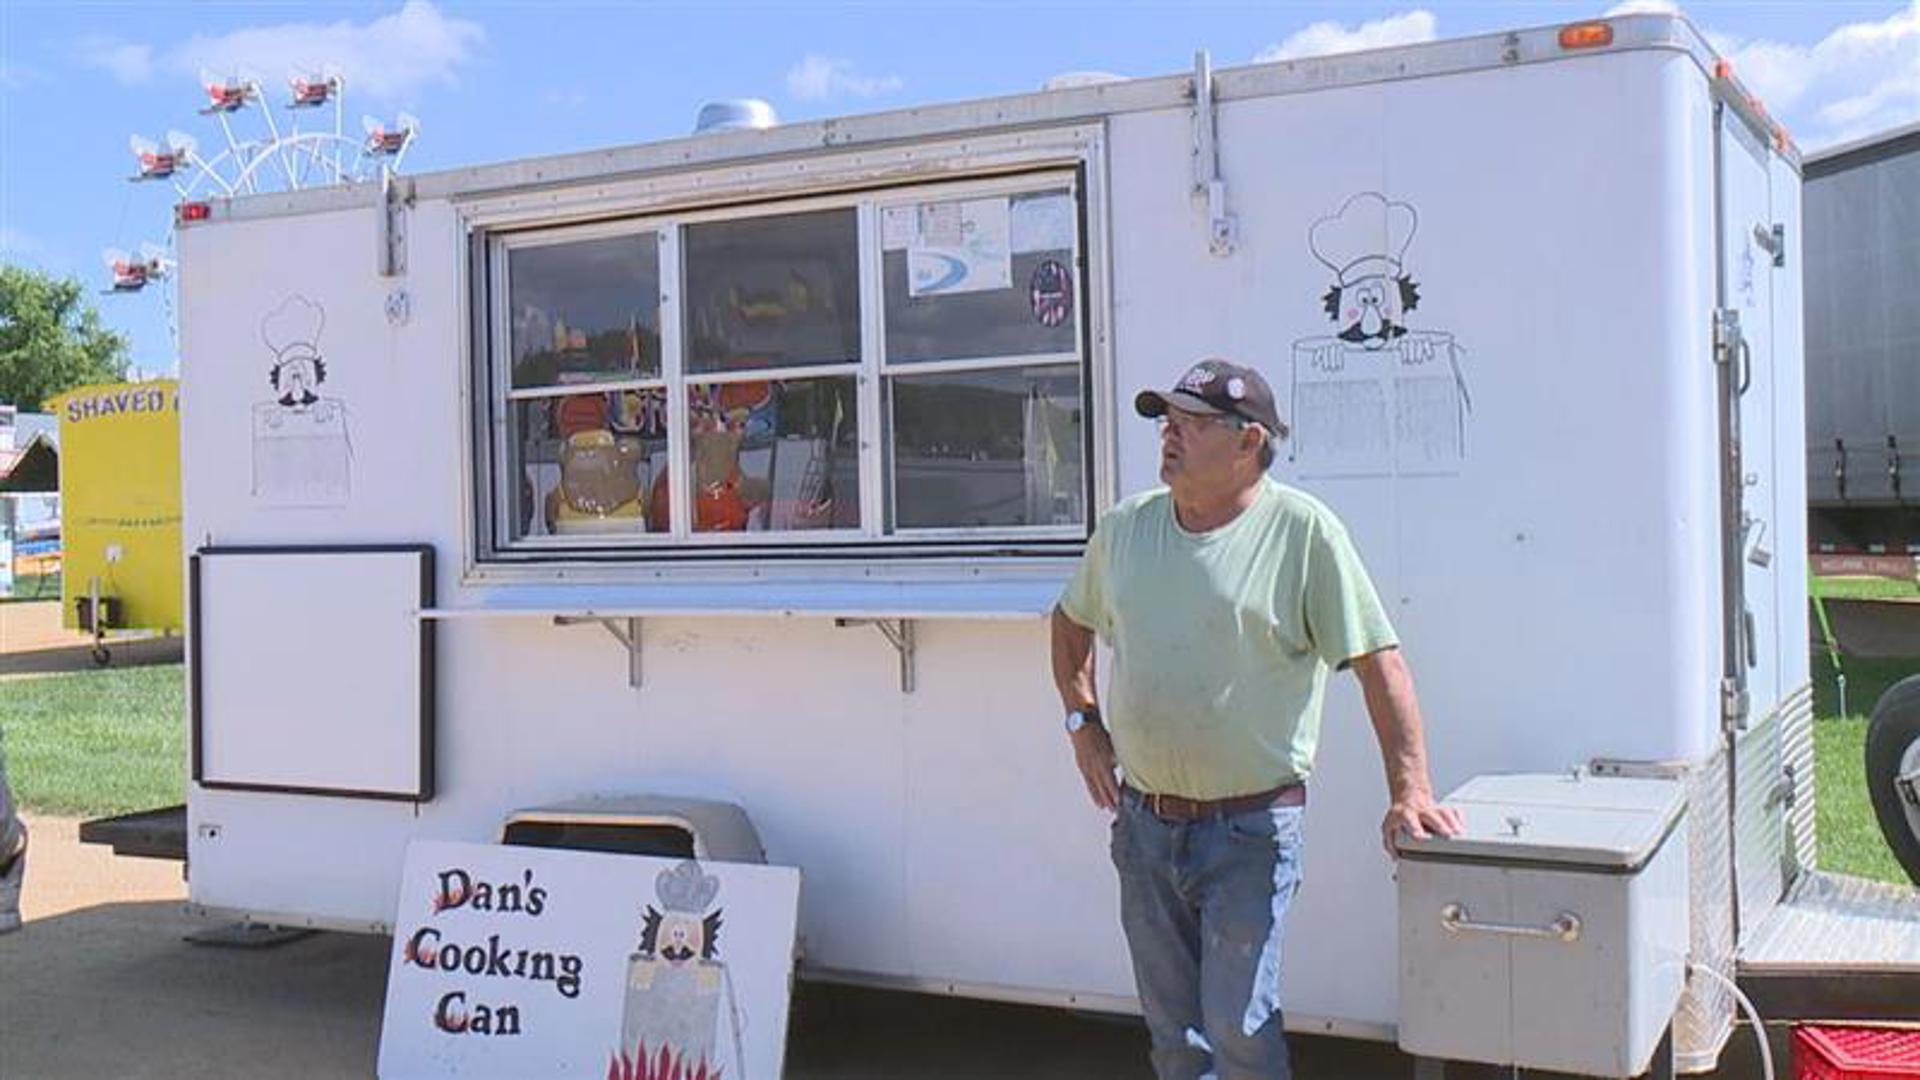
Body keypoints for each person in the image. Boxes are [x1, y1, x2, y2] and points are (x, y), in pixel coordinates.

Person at [1050, 357, 1462, 1080]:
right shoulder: (1127, 530)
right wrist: (1082, 722)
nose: (1169, 435)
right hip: (1145, 827)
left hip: (1249, 831)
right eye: (1166, 420)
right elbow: (1069, 620)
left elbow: (1378, 661)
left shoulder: (1303, 533)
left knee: (1239, 1029)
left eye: (1192, 422)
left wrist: (1411, 790)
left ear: (1249, 443)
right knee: (1175, 1035)